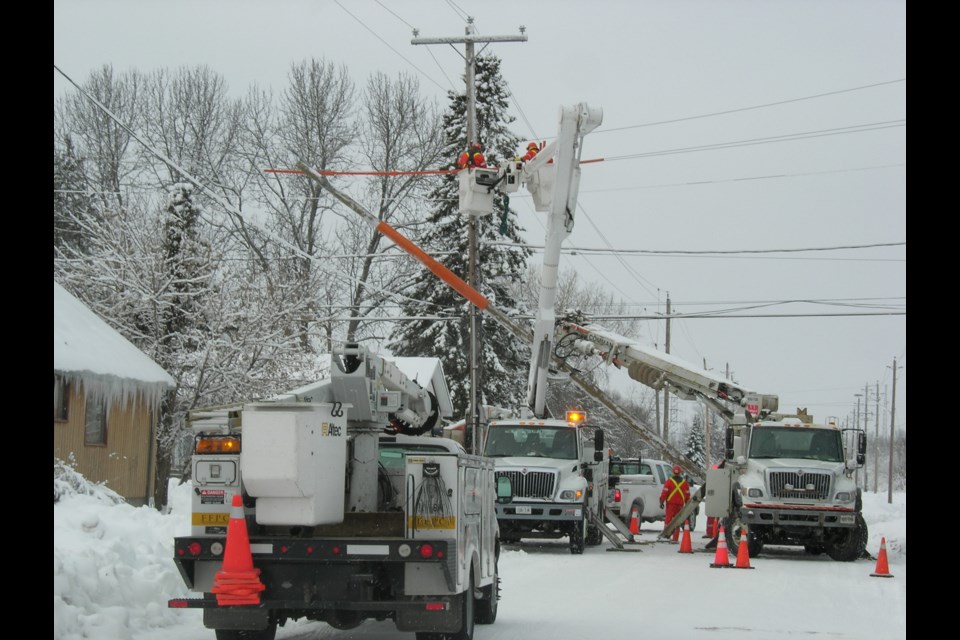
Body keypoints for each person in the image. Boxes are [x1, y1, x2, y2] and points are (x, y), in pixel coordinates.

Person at [659, 464, 691, 542]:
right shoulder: (685, 483)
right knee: (677, 521)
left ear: (673, 472)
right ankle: (675, 538)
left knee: (668, 520)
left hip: (671, 505)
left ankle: (666, 536)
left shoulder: (669, 482)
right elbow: (687, 495)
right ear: (680, 473)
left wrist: (661, 501)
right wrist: (687, 505)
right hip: (680, 505)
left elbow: (664, 493)